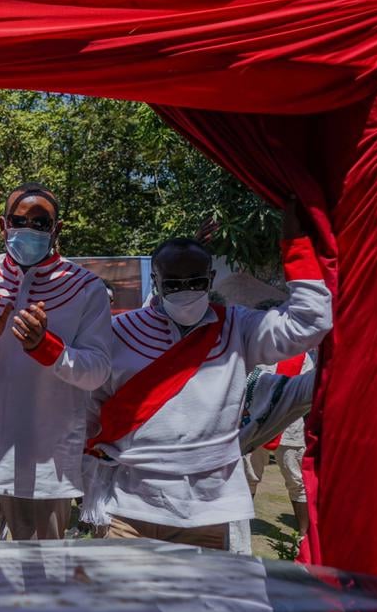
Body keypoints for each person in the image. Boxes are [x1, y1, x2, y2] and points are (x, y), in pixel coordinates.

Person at [83, 202, 332, 550]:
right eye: (174, 283)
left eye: (196, 281)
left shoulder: (238, 327)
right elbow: (90, 411)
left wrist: (297, 246)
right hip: (128, 507)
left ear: (211, 279)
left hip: (207, 511)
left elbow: (310, 323)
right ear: (156, 281)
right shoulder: (119, 333)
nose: (186, 290)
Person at [0, 183, 112, 540]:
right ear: (3, 225)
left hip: (46, 469)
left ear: (57, 229)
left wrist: (49, 349)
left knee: (41, 572)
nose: (29, 229)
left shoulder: (85, 288)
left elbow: (98, 371)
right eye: (19, 221)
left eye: (41, 223)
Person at [244, 350, 313, 536]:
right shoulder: (261, 348)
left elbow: (309, 391)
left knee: (296, 479)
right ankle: (241, 528)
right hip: (257, 422)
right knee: (248, 476)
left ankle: (304, 536)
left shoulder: (304, 357)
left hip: (290, 425)